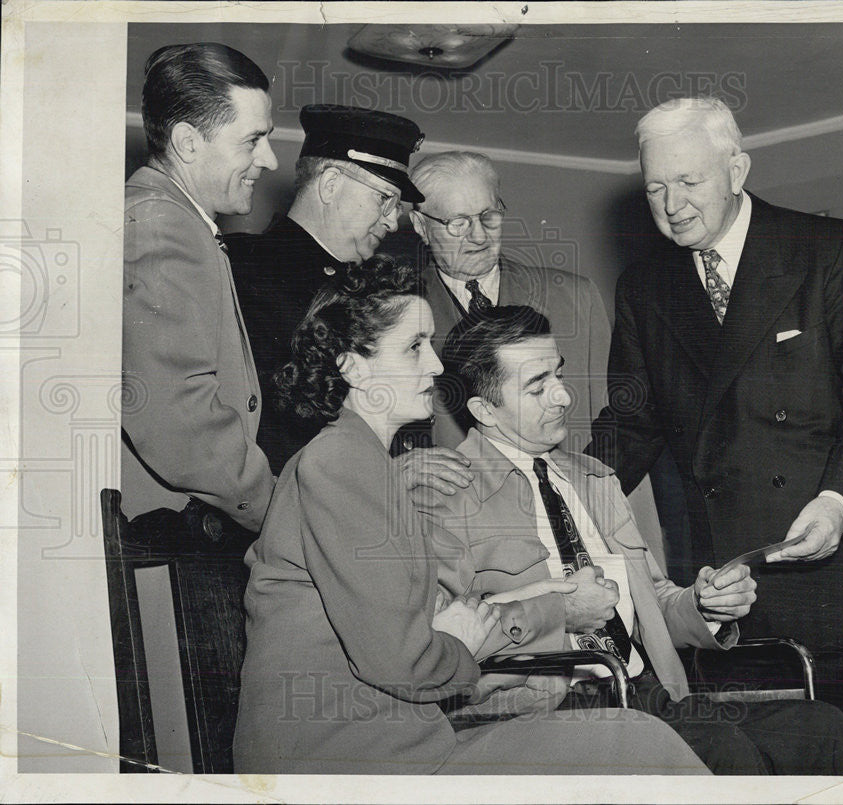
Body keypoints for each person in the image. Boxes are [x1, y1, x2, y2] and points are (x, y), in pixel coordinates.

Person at [233, 256, 708, 775]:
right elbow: (410, 664)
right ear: (353, 367)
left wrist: (511, 613)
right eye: (414, 348)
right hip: (351, 760)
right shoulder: (340, 462)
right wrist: (466, 635)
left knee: (634, 738)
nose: (436, 368)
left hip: (396, 744)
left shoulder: (362, 461)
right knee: (633, 743)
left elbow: (412, 627)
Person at [586, 97, 843, 768]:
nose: (672, 204)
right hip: (739, 587)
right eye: (656, 187)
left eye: (689, 182)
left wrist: (837, 502)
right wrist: (550, 486)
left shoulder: (829, 251)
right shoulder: (645, 286)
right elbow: (630, 422)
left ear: (736, 168)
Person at [419, 305, 843, 775]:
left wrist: (704, 605)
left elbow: (651, 606)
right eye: (537, 386)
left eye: (558, 375)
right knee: (721, 748)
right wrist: (558, 614)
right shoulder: (442, 500)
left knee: (821, 729)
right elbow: (435, 650)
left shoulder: (594, 480)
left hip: (649, 694)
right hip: (545, 714)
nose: (564, 396)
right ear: (483, 409)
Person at [122, 42, 279, 542]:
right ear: (188, 142)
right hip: (169, 533)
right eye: (252, 141)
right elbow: (178, 415)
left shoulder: (177, 219)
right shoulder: (163, 223)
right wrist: (279, 515)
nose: (270, 160)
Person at [227, 105, 427, 475]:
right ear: (330, 184)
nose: (391, 220)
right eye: (385, 198)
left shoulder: (375, 290)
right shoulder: (241, 266)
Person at [405, 151, 611, 451]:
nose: (479, 236)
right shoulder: (397, 310)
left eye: (488, 216)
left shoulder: (576, 297)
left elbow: (617, 426)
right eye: (458, 223)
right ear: (421, 225)